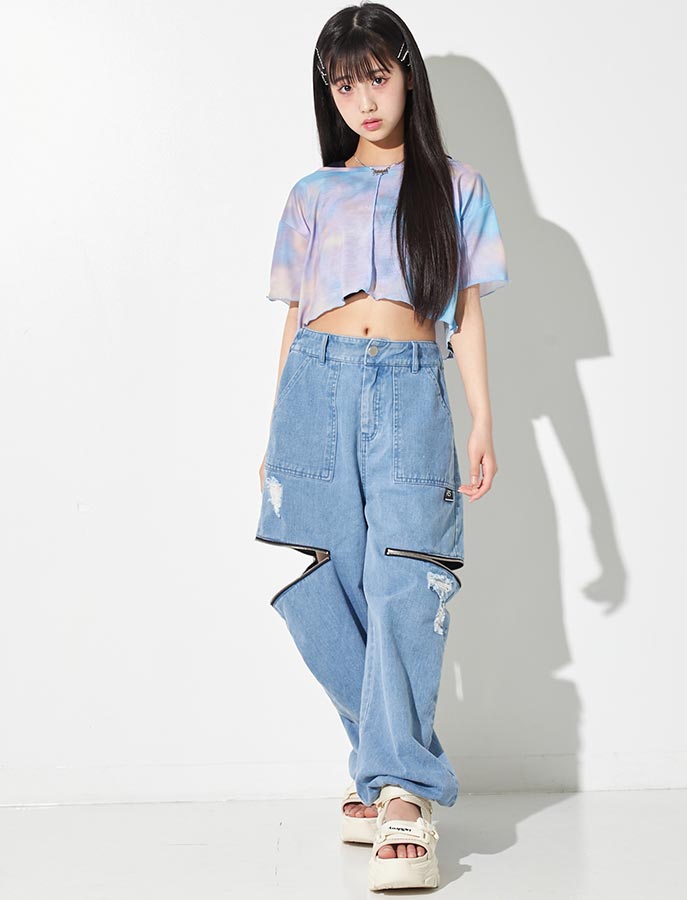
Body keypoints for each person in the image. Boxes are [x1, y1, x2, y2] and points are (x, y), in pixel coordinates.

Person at [254, 2, 509, 891]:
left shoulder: (456, 185)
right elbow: (296, 316)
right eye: (343, 86)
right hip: (315, 386)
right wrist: (275, 426)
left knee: (407, 578)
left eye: (376, 77)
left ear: (407, 75)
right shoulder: (311, 194)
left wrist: (482, 417)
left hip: (408, 388)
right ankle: (386, 761)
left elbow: (465, 312)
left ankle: (402, 793)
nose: (363, 101)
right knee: (330, 583)